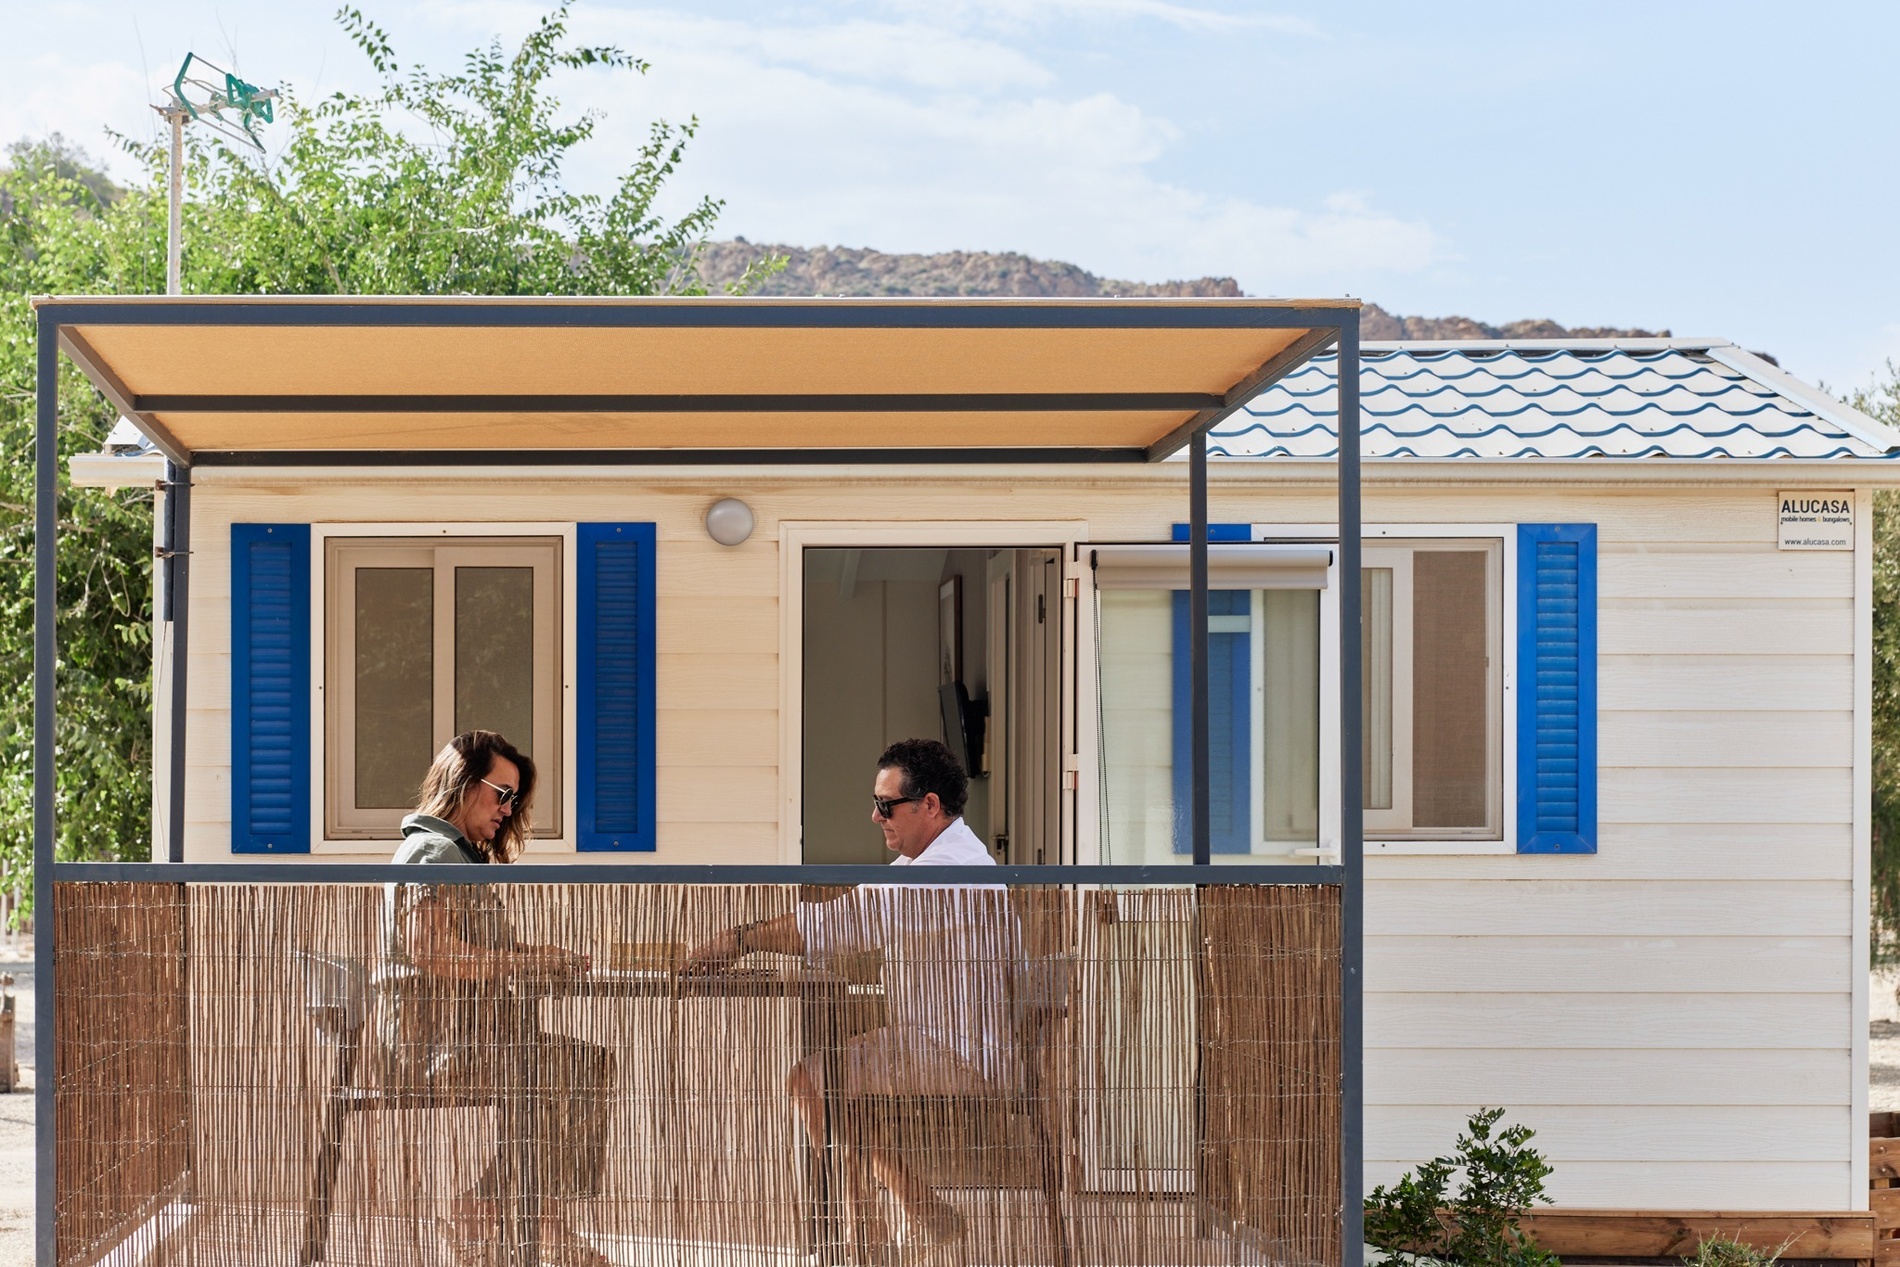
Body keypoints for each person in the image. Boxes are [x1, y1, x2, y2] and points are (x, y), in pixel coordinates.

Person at [688, 738, 1020, 1264]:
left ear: (929, 805)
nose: (874, 816)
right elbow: (862, 924)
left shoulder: (944, 874)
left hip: (956, 1051)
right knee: (830, 1081)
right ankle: (911, 1206)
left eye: (886, 805)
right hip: (941, 1039)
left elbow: (840, 924)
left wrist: (739, 938)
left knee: (811, 1081)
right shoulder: (941, 861)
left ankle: (868, 1234)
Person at [377, 730, 615, 1267]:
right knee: (566, 1066)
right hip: (432, 1041)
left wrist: (541, 953)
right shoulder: (434, 852)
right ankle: (537, 1223)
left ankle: (486, 1208)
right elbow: (429, 951)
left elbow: (481, 949)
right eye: (500, 793)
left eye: (514, 798)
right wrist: (525, 961)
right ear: (462, 784)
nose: (508, 809)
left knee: (579, 1064)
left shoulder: (458, 857)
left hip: (469, 1035)